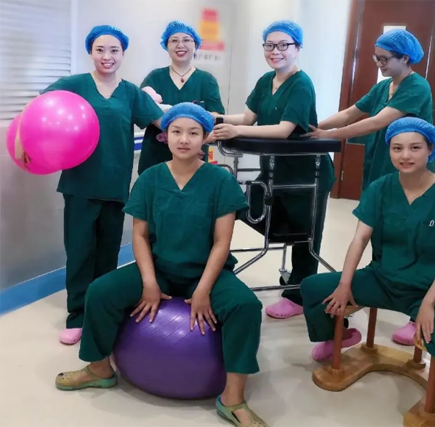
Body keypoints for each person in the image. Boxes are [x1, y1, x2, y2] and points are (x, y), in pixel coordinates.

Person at [54, 103, 269, 427]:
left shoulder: (220, 181)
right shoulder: (150, 179)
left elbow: (222, 242)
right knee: (100, 291)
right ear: (164, 136)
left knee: (246, 306)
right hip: (160, 268)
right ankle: (99, 369)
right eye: (177, 132)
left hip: (205, 272)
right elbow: (140, 236)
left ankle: (233, 398)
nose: (184, 139)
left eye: (193, 133)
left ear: (205, 138)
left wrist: (203, 290)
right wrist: (149, 282)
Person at [300, 118, 435, 427]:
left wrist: (429, 304)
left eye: (415, 148)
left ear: (431, 149)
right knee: (312, 287)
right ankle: (339, 336)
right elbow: (359, 239)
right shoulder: (380, 188)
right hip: (382, 279)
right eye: (397, 148)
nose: (405, 155)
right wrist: (345, 284)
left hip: (430, 290)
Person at [16, 25, 164, 346]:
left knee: (108, 254)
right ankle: (78, 316)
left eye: (114, 50)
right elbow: (38, 107)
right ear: (91, 52)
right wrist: (22, 140)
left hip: (115, 185)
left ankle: (102, 312)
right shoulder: (75, 85)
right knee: (80, 252)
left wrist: (189, 130)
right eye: (100, 50)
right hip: (80, 185)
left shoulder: (130, 92)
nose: (107, 56)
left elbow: (160, 121)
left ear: (123, 54)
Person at [213, 21, 350, 333]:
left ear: (297, 48)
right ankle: (224, 269)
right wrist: (216, 119)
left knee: (305, 236)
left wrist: (235, 130)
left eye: (284, 45)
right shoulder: (266, 80)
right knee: (243, 210)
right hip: (274, 169)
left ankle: (299, 295)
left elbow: (284, 130)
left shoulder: (301, 84)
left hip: (307, 171)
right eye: (270, 45)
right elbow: (248, 117)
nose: (276, 51)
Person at [306, 29, 434, 347]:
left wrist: (329, 137)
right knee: (379, 234)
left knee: (412, 241)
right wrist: (315, 127)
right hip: (380, 171)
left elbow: (377, 122)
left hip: (410, 176)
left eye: (385, 59)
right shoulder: (382, 87)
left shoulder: (417, 87)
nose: (379, 64)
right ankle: (382, 285)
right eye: (376, 58)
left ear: (405, 58)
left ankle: (417, 313)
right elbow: (352, 113)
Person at [137, 20, 225, 174]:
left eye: (186, 40)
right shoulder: (155, 78)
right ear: (166, 45)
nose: (180, 45)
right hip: (156, 157)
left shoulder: (206, 80)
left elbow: (215, 115)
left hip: (193, 157)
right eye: (174, 41)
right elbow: (145, 109)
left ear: (195, 44)